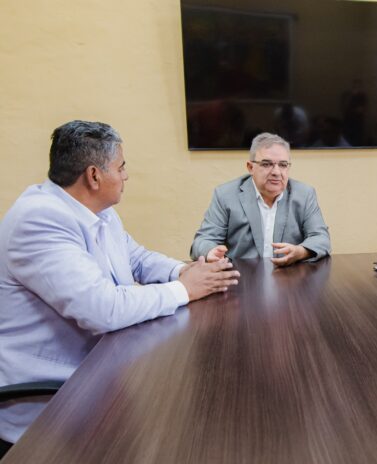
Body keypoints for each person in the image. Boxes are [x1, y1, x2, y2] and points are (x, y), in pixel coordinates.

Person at [0, 120, 240, 450]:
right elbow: (102, 309)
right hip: (51, 407)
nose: (126, 176)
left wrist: (185, 271)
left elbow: (137, 258)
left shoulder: (97, 211)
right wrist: (185, 289)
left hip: (100, 379)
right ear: (94, 176)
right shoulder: (39, 220)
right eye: (121, 167)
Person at [191, 132, 330, 266]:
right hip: (241, 276)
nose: (276, 172)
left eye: (283, 165)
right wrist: (210, 252)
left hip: (290, 275)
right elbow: (202, 241)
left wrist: (300, 252)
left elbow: (321, 238)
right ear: (250, 167)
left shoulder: (304, 194)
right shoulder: (226, 195)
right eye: (266, 164)